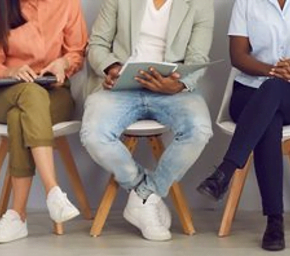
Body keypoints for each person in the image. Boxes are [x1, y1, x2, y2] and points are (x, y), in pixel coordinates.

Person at [196, 0, 290, 251]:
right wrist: (271, 70)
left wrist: (288, 76)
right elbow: (237, 56)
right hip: (249, 94)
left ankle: (226, 171)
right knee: (269, 116)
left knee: (273, 92)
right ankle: (274, 221)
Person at [81, 0, 214, 241]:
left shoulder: (200, 4)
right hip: (122, 87)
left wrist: (179, 84)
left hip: (171, 90)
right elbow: (97, 44)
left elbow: (197, 58)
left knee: (199, 129)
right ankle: (144, 193)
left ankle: (145, 195)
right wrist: (111, 67)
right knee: (93, 134)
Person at [0, 0, 87, 244]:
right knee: (29, 94)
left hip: (54, 93)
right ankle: (53, 191)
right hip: (5, 93)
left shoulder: (67, 3)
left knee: (22, 114)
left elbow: (77, 52)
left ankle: (17, 216)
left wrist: (64, 63)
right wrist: (10, 72)